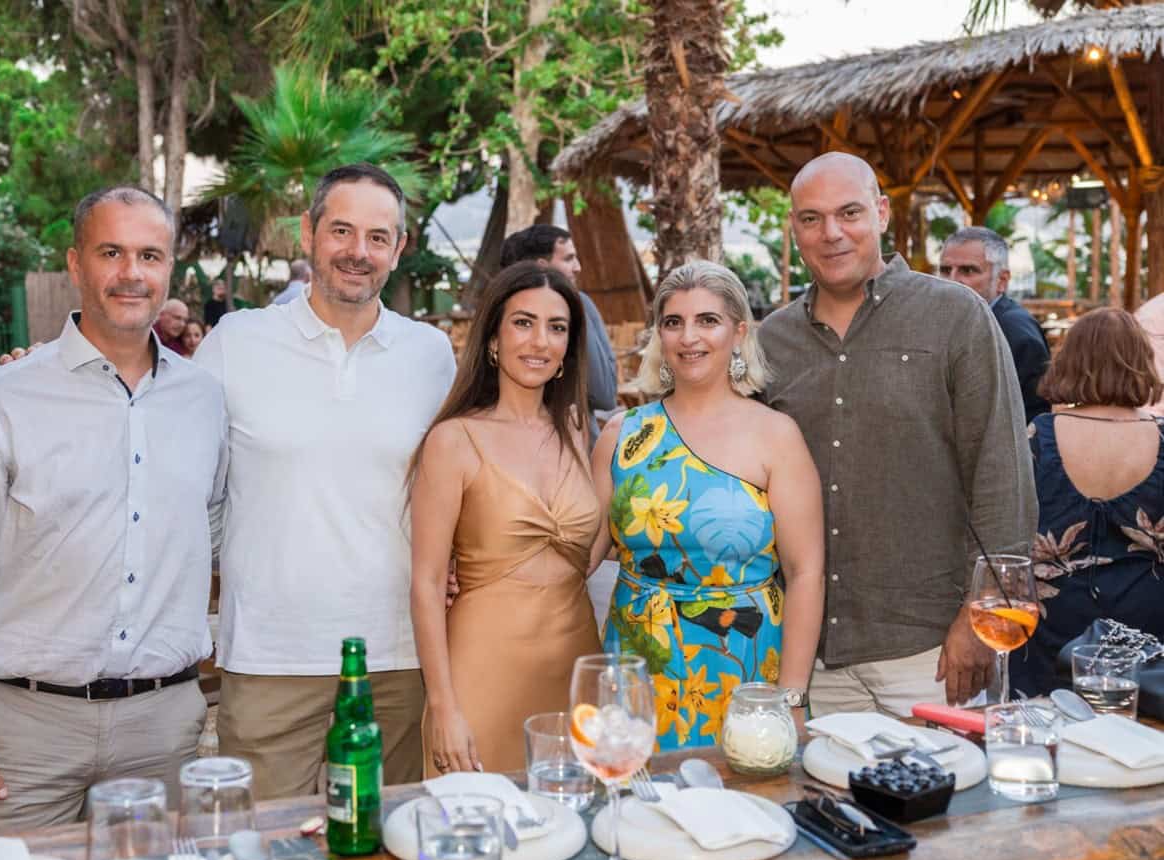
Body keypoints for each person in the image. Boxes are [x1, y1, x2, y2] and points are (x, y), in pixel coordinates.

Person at [0, 185, 227, 834]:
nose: (132, 273)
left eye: (149, 255)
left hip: (162, 727)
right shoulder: (3, 399)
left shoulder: (205, 401)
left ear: (169, 270)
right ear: (76, 264)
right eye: (112, 252)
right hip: (25, 731)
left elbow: (219, 530)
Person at [195, 163, 456, 799]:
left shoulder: (431, 355)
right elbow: (167, 451)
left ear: (399, 248)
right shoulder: (236, 341)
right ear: (308, 232)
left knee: (388, 834)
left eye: (377, 237)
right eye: (341, 230)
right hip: (270, 655)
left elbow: (465, 482)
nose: (357, 251)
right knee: (262, 842)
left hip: (399, 655)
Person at [759, 152, 1037, 716]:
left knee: (952, 779)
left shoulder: (956, 316)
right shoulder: (772, 341)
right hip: (811, 655)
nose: (831, 233)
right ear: (794, 229)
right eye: (811, 218)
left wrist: (981, 615)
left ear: (881, 213)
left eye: (849, 212)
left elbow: (1001, 470)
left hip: (932, 651)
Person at [589, 260, 825, 750]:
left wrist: (792, 700)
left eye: (707, 320)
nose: (688, 337)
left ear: (738, 332)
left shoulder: (776, 435)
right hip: (638, 663)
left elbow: (805, 573)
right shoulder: (622, 435)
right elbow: (578, 557)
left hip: (743, 662)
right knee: (637, 793)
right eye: (673, 322)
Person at [410, 261, 602, 774]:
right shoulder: (453, 440)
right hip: (482, 673)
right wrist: (443, 708)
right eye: (523, 322)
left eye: (556, 327)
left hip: (575, 668)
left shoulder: (576, 427)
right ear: (493, 339)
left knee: (574, 813)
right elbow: (427, 583)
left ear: (568, 347)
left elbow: (599, 536)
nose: (540, 341)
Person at [1011, 308, 1164, 696]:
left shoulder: (1039, 435)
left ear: (1071, 361)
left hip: (1051, 620)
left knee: (1045, 722)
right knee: (1135, 723)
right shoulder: (1161, 439)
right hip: (1143, 625)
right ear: (1142, 362)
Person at [499, 225, 618, 435]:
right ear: (542, 267)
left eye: (557, 328)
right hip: (569, 439)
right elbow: (604, 393)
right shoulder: (577, 305)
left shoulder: (496, 309)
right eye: (568, 259)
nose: (578, 267)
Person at [940, 227, 1050, 424]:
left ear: (1002, 280)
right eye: (946, 270)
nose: (952, 280)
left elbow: (1031, 416)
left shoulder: (1015, 331)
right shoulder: (948, 320)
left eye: (968, 270)